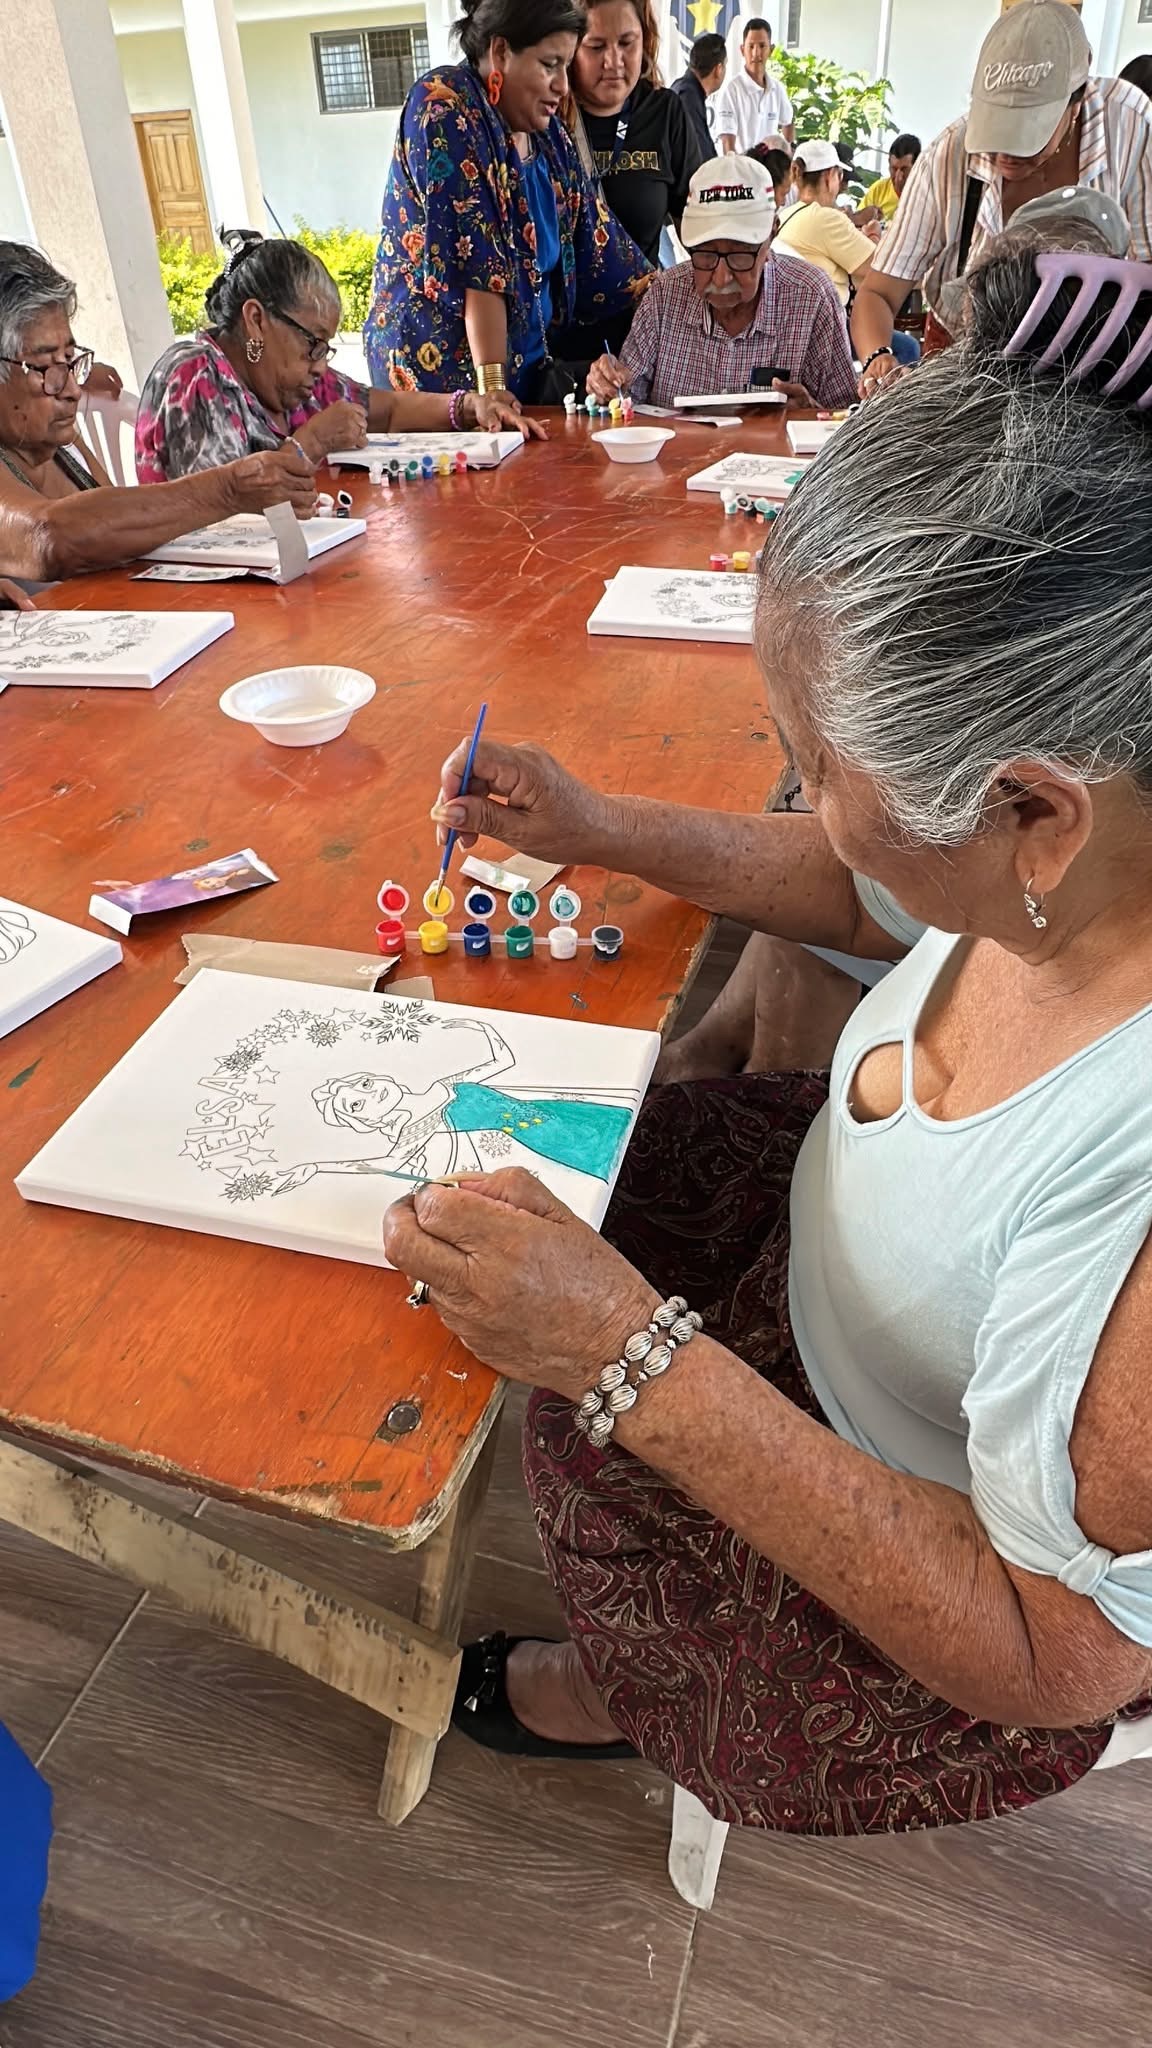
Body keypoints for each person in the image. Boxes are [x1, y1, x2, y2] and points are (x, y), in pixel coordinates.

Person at [390, 240, 1152, 1836]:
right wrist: (603, 826)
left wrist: (623, 1353)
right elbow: (880, 890)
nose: (800, 794)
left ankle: (632, 1694)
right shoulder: (1071, 849)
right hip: (818, 1255)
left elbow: (1053, 1653)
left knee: (583, 1380)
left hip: (933, 1593)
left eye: (815, 766)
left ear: (1034, 813)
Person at [852, 0, 1152, 394]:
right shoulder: (947, 155)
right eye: (995, 132)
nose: (1005, 156)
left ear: (1076, 101)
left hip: (1090, 372)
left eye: (1029, 133)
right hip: (964, 364)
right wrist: (878, 357)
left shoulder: (1130, 126)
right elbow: (877, 293)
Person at [364, 0, 651, 404]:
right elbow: (479, 267)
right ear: (500, 52)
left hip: (526, 379)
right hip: (440, 387)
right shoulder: (443, 106)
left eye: (566, 66)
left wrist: (680, 293)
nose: (562, 85)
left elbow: (605, 251)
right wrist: (493, 394)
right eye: (549, 64)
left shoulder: (549, 138)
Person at [0, 242, 319, 584]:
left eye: (69, 359)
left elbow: (116, 535)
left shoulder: (58, 442)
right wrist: (229, 490)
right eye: (46, 366)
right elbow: (49, 538)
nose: (72, 390)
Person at [137, 230, 534, 485]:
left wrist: (470, 407)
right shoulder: (195, 376)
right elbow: (220, 508)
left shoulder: (294, 381)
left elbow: (388, 411)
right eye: (313, 343)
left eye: (325, 348)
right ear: (256, 320)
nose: (320, 365)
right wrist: (309, 444)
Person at [587, 154, 857, 409]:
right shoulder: (665, 294)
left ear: (772, 234)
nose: (721, 277)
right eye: (706, 254)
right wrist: (608, 386)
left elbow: (845, 417)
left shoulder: (812, 296)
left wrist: (810, 413)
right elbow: (624, 403)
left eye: (740, 255)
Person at [567, 0, 702, 266]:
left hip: (645, 291)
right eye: (596, 46)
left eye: (627, 43)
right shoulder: (548, 114)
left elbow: (697, 229)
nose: (613, 61)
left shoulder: (666, 112)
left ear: (645, 41)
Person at [775, 138, 882, 302]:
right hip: (831, 315)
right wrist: (874, 234)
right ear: (829, 176)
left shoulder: (785, 214)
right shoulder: (827, 219)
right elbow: (879, 268)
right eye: (840, 175)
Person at [714, 18, 794, 155]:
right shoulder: (731, 91)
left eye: (762, 46)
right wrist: (736, 166)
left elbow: (788, 122)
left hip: (770, 167)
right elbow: (728, 144)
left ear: (771, 50)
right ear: (742, 50)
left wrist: (788, 155)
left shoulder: (777, 89)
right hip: (742, 166)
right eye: (751, 46)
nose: (756, 53)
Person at [670, 32, 728, 166]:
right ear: (718, 69)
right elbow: (701, 158)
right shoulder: (688, 97)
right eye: (725, 65)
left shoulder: (683, 88)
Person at [861, 132, 922, 223]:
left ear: (917, 166)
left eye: (904, 169)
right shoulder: (879, 189)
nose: (898, 176)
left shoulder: (926, 193)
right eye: (894, 169)